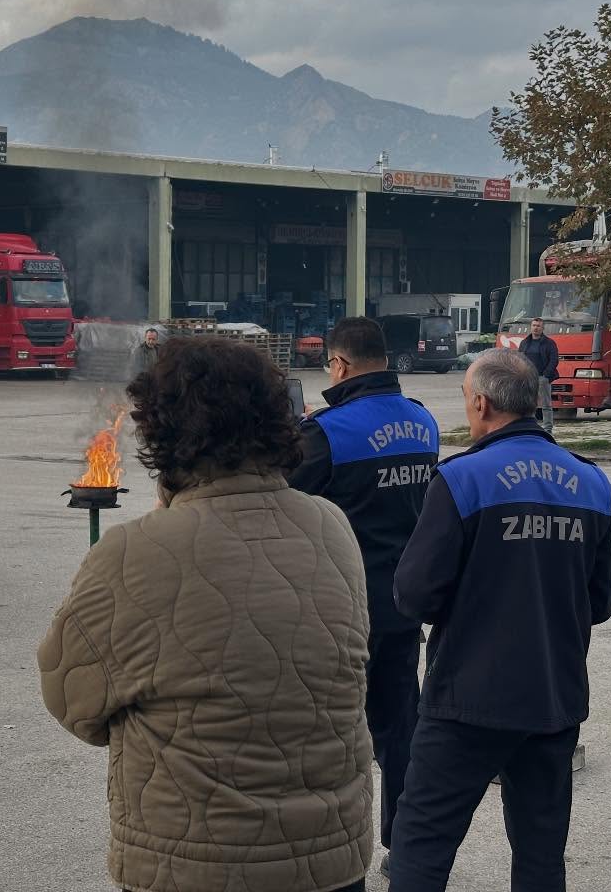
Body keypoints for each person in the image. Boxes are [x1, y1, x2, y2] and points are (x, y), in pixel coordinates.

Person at [38, 337, 373, 892]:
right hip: (329, 859)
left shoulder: (133, 552)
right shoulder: (331, 526)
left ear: (162, 433)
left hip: (195, 863)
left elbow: (73, 700)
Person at [388, 349, 611, 892]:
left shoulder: (462, 478)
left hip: (466, 699)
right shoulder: (592, 483)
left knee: (422, 843)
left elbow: (414, 594)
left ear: (482, 404)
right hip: (553, 698)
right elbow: (601, 602)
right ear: (536, 401)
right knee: (541, 857)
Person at [287, 315, 439, 879]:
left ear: (340, 364)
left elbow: (277, 495)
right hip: (402, 603)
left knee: (327, 732)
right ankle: (405, 846)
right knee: (401, 728)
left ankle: (324, 850)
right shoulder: (422, 422)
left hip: (339, 607)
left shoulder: (326, 433)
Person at [519, 316, 559, 432]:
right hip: (528, 378)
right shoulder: (525, 343)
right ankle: (531, 427)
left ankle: (548, 428)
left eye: (538, 326)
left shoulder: (549, 343)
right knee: (529, 405)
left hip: (542, 377)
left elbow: (554, 360)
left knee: (546, 405)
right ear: (530, 327)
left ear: (542, 328)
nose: (536, 328)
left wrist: (546, 375)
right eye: (534, 325)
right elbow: (520, 358)